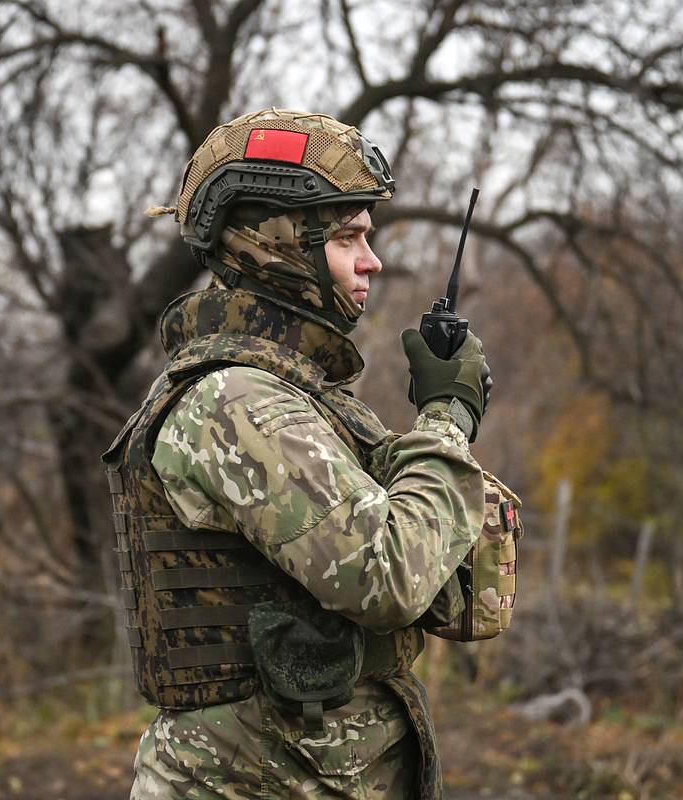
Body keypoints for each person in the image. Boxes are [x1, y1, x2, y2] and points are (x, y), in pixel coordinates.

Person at [102, 108, 497, 799]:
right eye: (348, 237)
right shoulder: (235, 402)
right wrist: (446, 420)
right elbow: (387, 574)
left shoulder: (299, 393)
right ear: (277, 245)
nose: (371, 260)